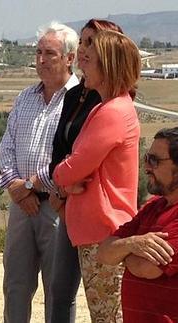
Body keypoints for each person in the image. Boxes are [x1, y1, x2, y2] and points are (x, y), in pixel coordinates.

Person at [53, 30, 142, 322]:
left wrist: (62, 175)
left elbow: (72, 167)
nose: (82, 68)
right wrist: (66, 176)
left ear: (108, 65)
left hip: (103, 231)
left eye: (88, 61)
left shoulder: (112, 112)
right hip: (99, 231)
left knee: (108, 317)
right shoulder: (110, 108)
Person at [0, 21, 78, 323]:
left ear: (70, 58)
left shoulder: (79, 100)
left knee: (58, 291)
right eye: (38, 52)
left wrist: (31, 185)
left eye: (50, 54)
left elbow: (72, 157)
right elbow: (6, 148)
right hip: (21, 207)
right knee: (15, 286)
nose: (41, 60)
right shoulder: (25, 97)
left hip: (57, 206)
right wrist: (17, 188)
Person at [97, 127, 178, 322]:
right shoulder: (152, 208)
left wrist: (123, 254)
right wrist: (132, 244)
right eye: (146, 158)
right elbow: (104, 253)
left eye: (154, 160)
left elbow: (146, 268)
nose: (146, 167)